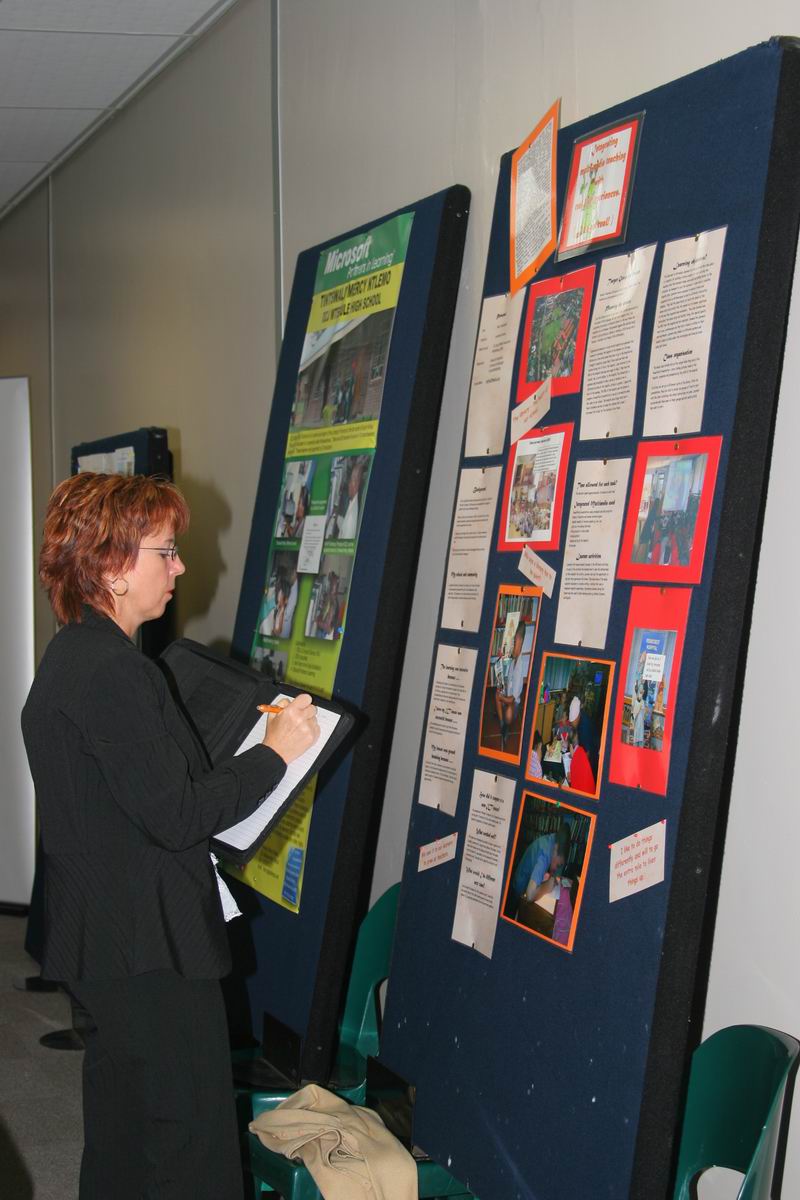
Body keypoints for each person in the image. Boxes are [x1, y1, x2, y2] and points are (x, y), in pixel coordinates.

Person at [21, 472, 320, 1200]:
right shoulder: (116, 674)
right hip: (148, 945)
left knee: (124, 1135)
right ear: (113, 567)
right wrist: (274, 753)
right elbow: (178, 815)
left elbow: (130, 791)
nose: (180, 567)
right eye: (166, 551)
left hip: (104, 937)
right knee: (191, 1146)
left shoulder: (71, 654)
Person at [508, 822, 572, 916]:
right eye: (558, 865)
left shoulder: (554, 840)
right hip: (519, 888)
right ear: (555, 849)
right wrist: (547, 887)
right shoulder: (545, 853)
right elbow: (530, 896)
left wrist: (564, 882)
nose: (557, 868)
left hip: (527, 881)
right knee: (513, 913)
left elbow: (557, 874)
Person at [493, 621, 527, 750]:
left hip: (514, 704)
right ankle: (502, 723)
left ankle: (505, 726)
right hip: (507, 695)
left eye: (514, 642)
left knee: (509, 709)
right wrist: (500, 659)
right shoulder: (514, 659)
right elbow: (507, 681)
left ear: (520, 641)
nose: (512, 646)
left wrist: (501, 698)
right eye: (512, 642)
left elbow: (512, 700)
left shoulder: (520, 666)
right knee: (497, 693)